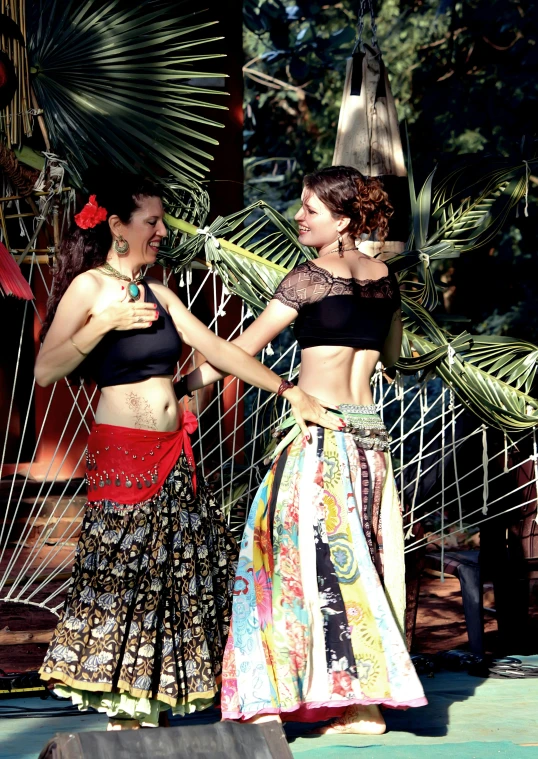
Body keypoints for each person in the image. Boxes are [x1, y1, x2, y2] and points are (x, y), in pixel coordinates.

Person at [35, 174, 341, 729]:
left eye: (161, 221)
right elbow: (44, 370)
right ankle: (123, 708)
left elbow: (221, 351)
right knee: (124, 572)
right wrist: (102, 324)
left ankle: (159, 699)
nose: (160, 231)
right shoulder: (90, 289)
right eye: (151, 221)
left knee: (176, 574)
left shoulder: (163, 295)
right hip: (124, 456)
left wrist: (287, 389)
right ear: (117, 227)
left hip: (173, 454)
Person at [183, 165, 427, 734]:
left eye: (310, 209)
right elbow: (391, 356)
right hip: (370, 440)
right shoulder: (386, 278)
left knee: (280, 565)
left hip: (317, 438)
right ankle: (363, 705)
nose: (298, 216)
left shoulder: (308, 278)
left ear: (341, 220)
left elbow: (238, 352)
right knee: (362, 562)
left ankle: (269, 698)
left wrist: (179, 389)